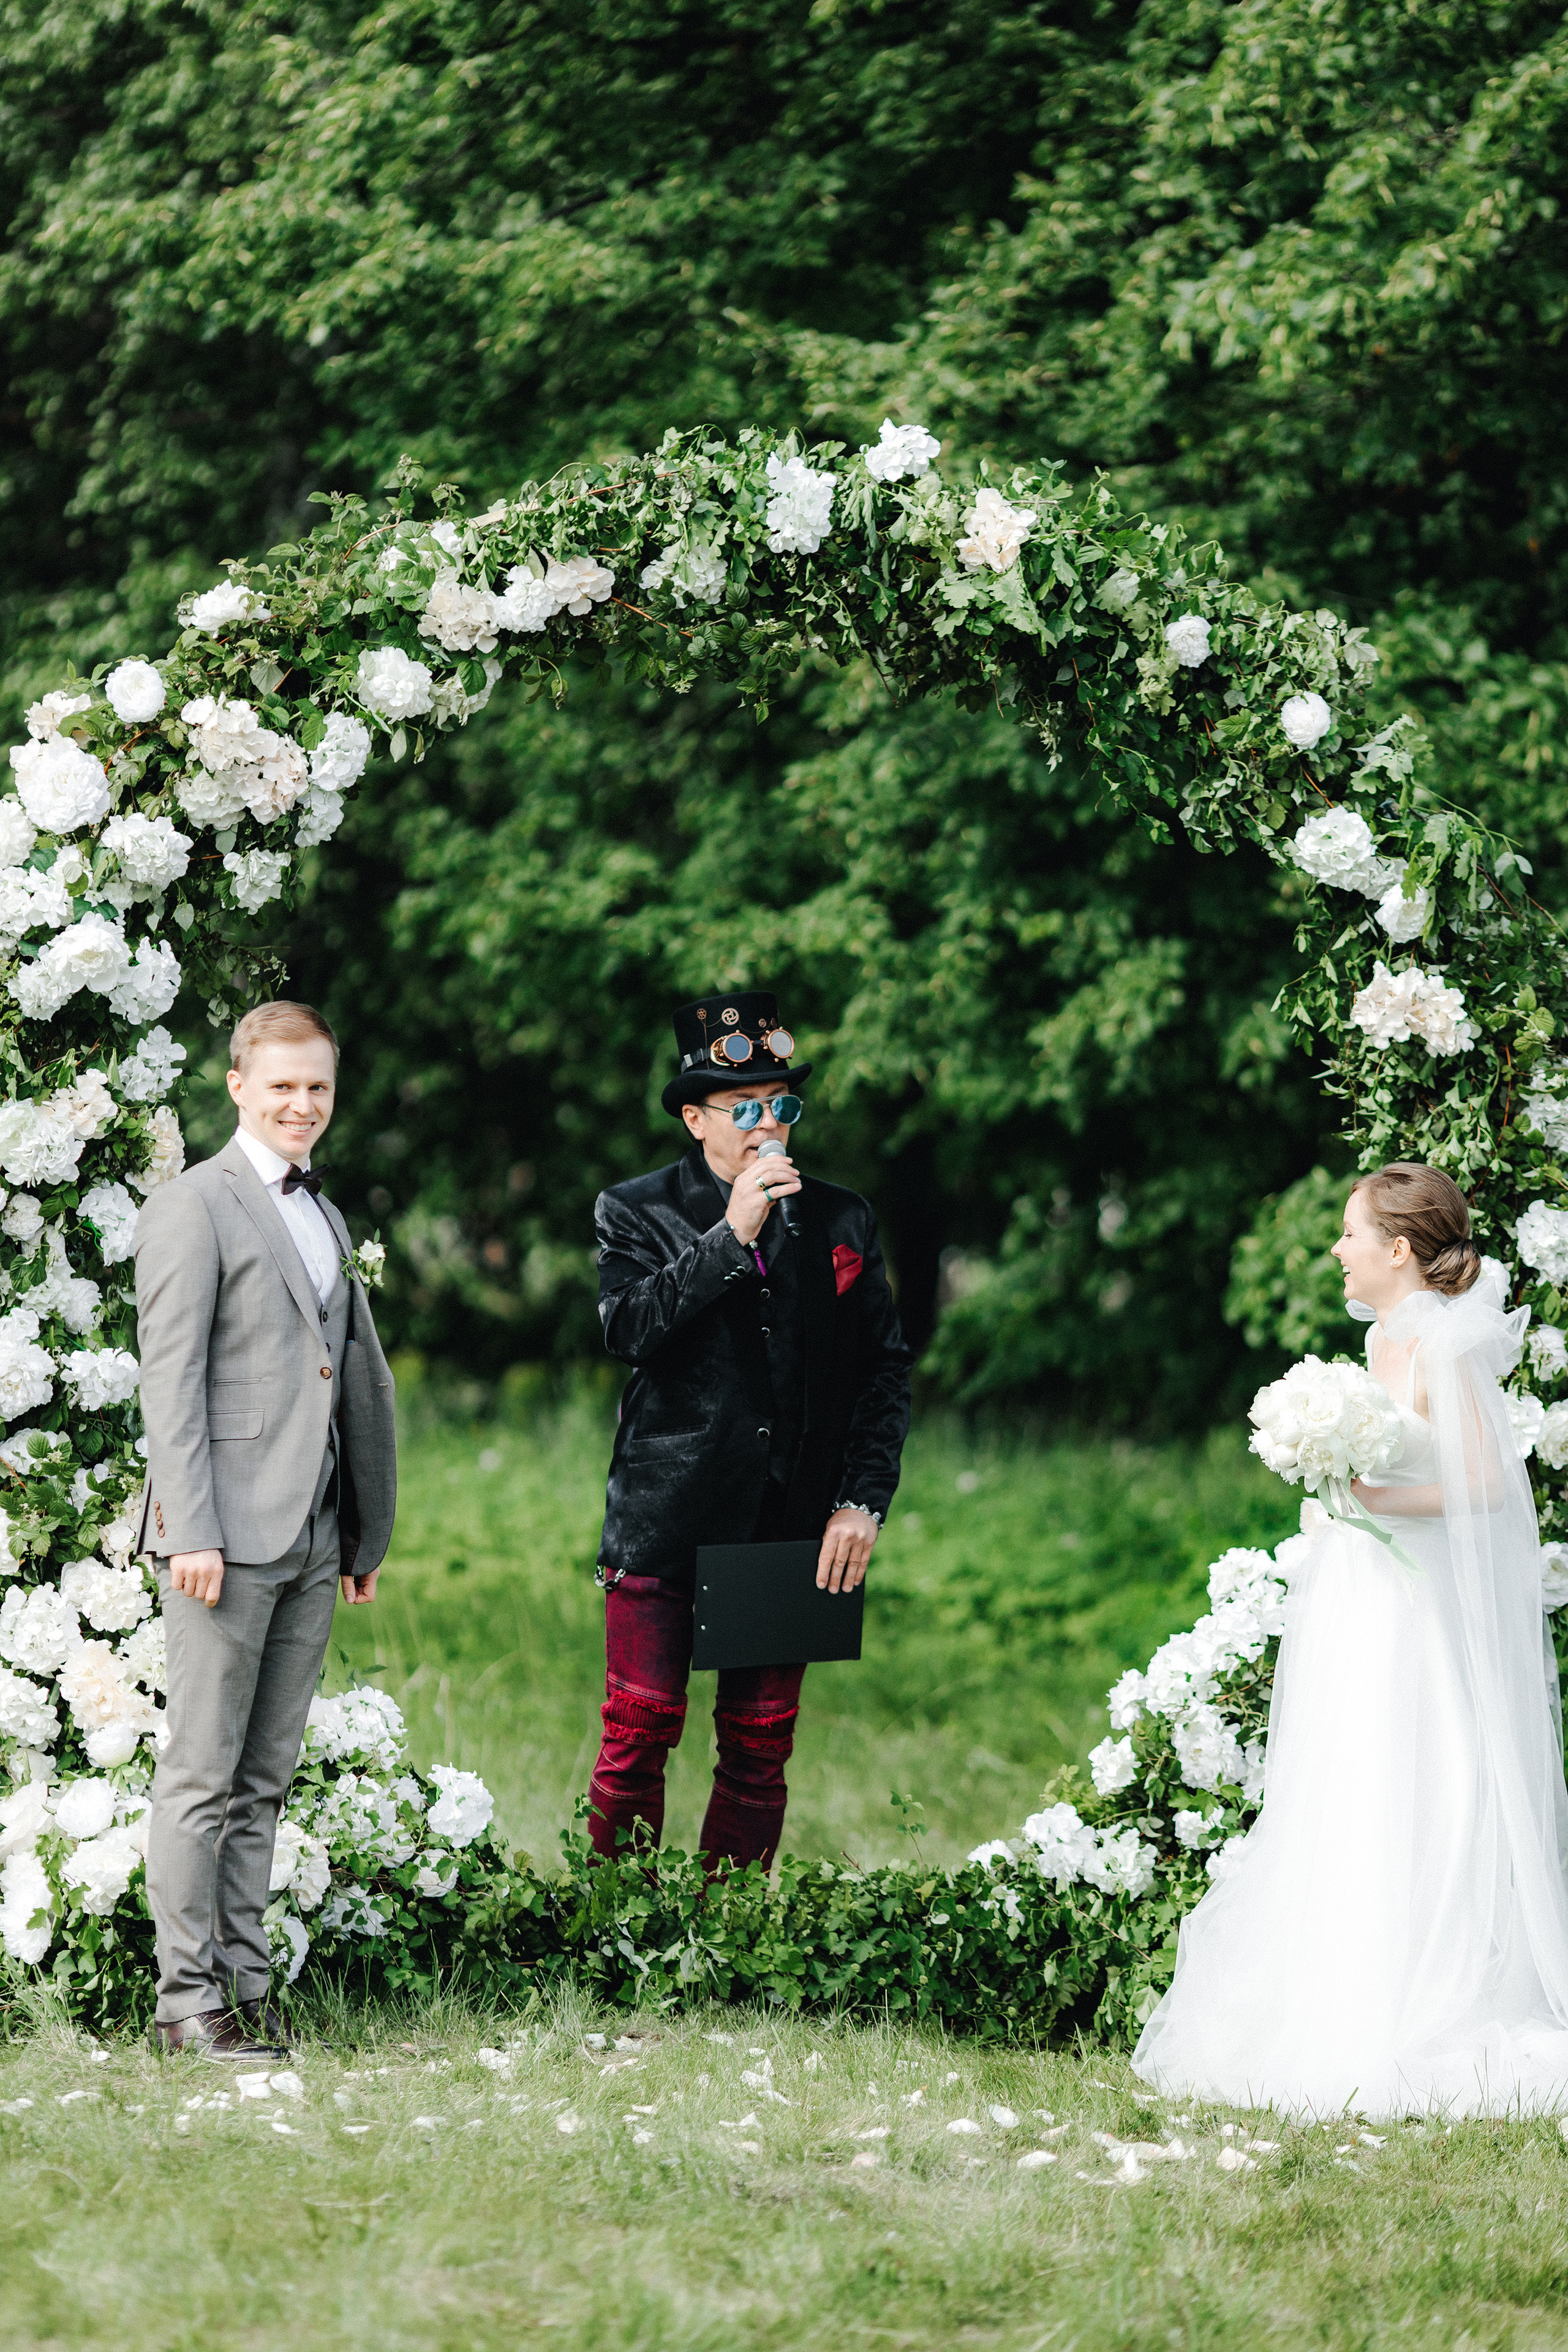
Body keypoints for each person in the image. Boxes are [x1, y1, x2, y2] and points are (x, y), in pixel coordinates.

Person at [1133, 1161, 1568, 2116]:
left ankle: (1426, 1992)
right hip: (1365, 1597)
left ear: (1398, 1250)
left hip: (1413, 1611)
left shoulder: (1436, 1347)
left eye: (1350, 1233)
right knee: (1353, 1777)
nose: (1337, 1249)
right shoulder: (1384, 1339)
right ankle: (1347, 1976)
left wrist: (1366, 1498)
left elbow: (1489, 1485)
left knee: (1418, 1773)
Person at [587, 989, 913, 1871]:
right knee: (641, 1729)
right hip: (670, 1509)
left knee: (761, 1746)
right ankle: (618, 1926)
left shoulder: (843, 1217)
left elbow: (883, 1370)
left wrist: (861, 1501)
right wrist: (732, 1234)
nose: (769, 1129)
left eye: (784, 1107)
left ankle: (726, 1936)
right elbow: (629, 1330)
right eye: (745, 1111)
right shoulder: (635, 1209)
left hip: (792, 1514)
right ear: (697, 1119)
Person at [135, 1000, 397, 2058]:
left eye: (318, 1088)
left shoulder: (322, 1215)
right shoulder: (193, 1205)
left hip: (311, 1534)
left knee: (266, 1774)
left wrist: (361, 1534)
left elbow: (344, 1379)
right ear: (238, 1083)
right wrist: (191, 1527)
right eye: (282, 1085)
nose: (302, 1105)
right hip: (220, 1540)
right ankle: (185, 2001)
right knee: (203, 1771)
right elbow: (173, 1381)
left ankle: (245, 1986)